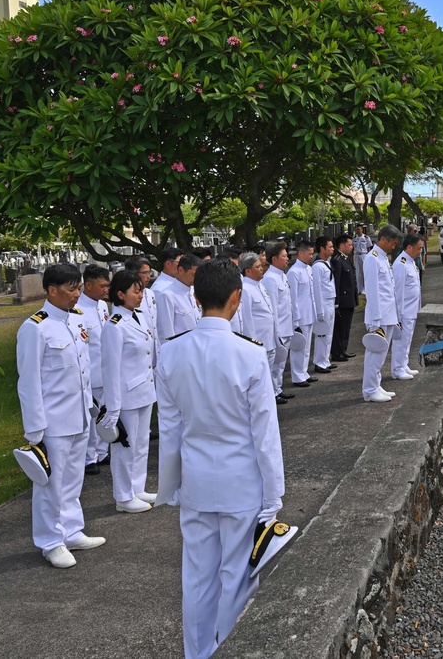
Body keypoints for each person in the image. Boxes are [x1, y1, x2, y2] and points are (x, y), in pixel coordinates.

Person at [154, 259, 285, 659]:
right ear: (237, 298)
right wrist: (274, 493)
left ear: (195, 298)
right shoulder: (248, 353)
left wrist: (170, 487)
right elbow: (264, 434)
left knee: (196, 578)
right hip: (241, 482)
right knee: (238, 578)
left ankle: (197, 654)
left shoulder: (172, 352)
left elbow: (171, 431)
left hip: (195, 481)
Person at [16, 263, 106, 569]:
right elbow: (28, 382)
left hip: (79, 414)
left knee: (73, 479)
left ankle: (70, 530)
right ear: (52, 290)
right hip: (52, 421)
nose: (77, 295)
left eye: (80, 288)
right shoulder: (36, 327)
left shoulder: (75, 319)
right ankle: (50, 541)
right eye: (71, 289)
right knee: (50, 485)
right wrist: (34, 429)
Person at [101, 271, 157, 513]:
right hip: (126, 395)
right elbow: (110, 369)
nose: (141, 295)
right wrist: (113, 407)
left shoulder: (140, 317)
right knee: (125, 447)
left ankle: (137, 487)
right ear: (121, 294)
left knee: (141, 442)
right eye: (136, 291)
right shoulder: (114, 326)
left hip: (145, 389)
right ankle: (123, 497)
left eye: (142, 290)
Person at [237, 252, 285, 403]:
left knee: (269, 373)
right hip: (259, 341)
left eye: (261, 266)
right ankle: (263, 401)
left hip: (269, 338)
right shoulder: (245, 289)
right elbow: (247, 319)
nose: (262, 269)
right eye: (257, 267)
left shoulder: (260, 286)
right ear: (248, 271)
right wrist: (252, 344)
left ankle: (271, 396)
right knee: (259, 377)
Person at [362, 225, 402, 402]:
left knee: (381, 354)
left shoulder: (383, 258)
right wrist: (375, 320)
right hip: (379, 316)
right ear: (383, 239)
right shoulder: (373, 259)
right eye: (392, 243)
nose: (393, 247)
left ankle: (376, 385)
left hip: (388, 313)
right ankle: (369, 390)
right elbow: (372, 291)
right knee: (375, 353)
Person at [80, 265, 111, 474]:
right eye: (102, 286)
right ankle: (89, 457)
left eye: (107, 285)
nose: (105, 289)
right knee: (90, 416)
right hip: (90, 372)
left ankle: (103, 450)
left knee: (104, 413)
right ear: (88, 285)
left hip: (105, 369)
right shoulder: (78, 309)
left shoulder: (102, 306)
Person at [262, 241, 294, 402]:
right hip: (279, 328)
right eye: (284, 256)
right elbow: (273, 308)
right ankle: (273, 391)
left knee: (280, 363)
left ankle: (278, 388)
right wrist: (276, 332)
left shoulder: (282, 275)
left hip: (287, 325)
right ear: (274, 259)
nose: (287, 258)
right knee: (274, 363)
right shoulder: (270, 279)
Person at [391, 233, 423, 380]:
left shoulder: (410, 262)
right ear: (409, 247)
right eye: (418, 248)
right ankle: (397, 369)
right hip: (404, 312)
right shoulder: (401, 264)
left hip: (412, 309)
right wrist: (398, 314)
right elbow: (398, 291)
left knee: (407, 340)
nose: (420, 251)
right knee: (400, 341)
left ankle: (403, 365)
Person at [286, 240, 317, 388]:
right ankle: (297, 376)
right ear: (300, 253)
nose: (312, 256)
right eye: (309, 254)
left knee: (306, 346)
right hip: (301, 315)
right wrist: (296, 319)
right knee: (299, 346)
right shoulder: (294, 272)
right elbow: (293, 298)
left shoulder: (308, 269)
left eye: (312, 253)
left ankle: (304, 372)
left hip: (309, 312)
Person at [156, 253, 202, 345]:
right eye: (193, 275)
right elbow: (166, 334)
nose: (197, 278)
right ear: (181, 270)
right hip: (181, 350)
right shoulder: (168, 295)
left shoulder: (193, 291)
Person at [311, 236, 338, 374]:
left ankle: (325, 359)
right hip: (324, 303)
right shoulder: (317, 266)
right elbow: (317, 289)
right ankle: (319, 362)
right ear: (322, 248)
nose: (333, 249)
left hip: (330, 301)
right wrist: (320, 310)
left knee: (329, 334)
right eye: (330, 247)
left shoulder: (326, 263)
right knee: (322, 333)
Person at [331, 234, 358, 363]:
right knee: (340, 327)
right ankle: (337, 352)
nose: (352, 247)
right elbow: (336, 282)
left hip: (349, 299)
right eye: (349, 245)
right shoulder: (337, 260)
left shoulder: (346, 259)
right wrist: (336, 302)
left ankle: (343, 349)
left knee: (346, 327)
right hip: (342, 299)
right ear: (342, 245)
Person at [352, 225, 372, 293]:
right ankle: (359, 289)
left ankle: (365, 289)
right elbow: (353, 248)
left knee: (364, 272)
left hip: (364, 255)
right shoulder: (354, 238)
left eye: (359, 229)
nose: (357, 231)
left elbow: (369, 248)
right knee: (358, 272)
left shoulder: (366, 238)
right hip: (356, 255)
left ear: (362, 230)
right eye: (356, 229)